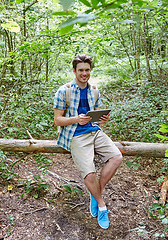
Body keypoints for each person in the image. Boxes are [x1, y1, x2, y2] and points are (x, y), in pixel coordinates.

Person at [53, 54, 122, 229]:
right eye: (81, 70)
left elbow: (96, 115)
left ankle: (94, 191)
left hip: (95, 131)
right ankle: (101, 204)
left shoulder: (94, 90)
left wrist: (102, 120)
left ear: (90, 70)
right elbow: (57, 120)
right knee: (89, 173)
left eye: (87, 70)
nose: (84, 73)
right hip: (75, 134)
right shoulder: (64, 91)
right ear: (74, 71)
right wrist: (76, 119)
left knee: (116, 157)